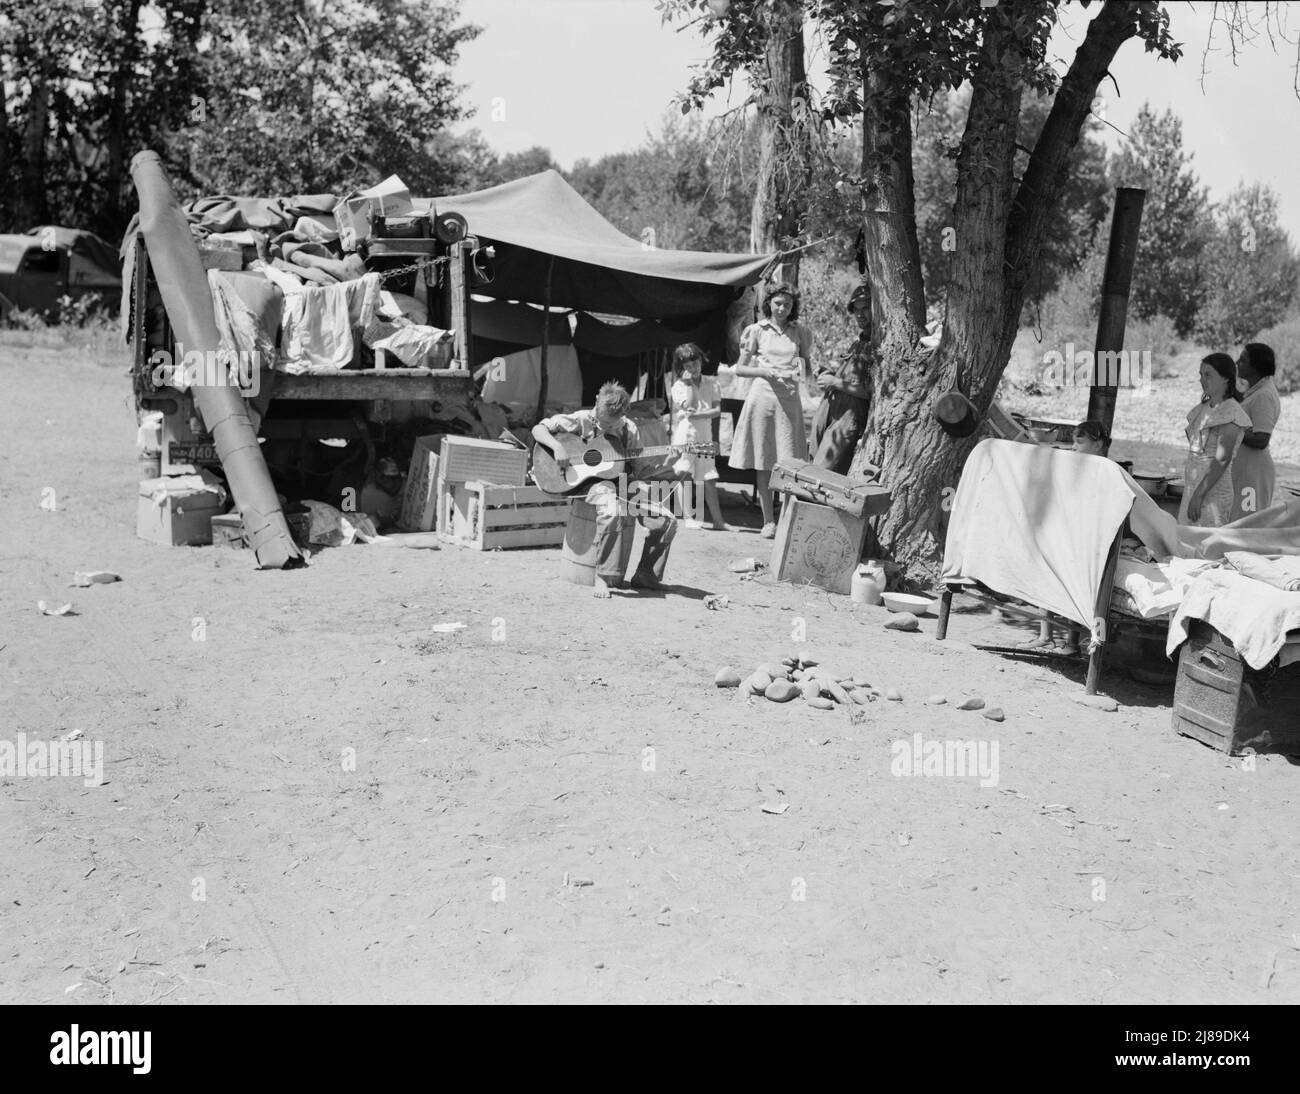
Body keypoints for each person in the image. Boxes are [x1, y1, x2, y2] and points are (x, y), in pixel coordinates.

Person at [532, 381, 677, 598]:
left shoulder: (630, 429)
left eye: (609, 424)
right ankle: (603, 576)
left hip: (623, 483)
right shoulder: (582, 419)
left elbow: (640, 471)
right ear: (598, 404)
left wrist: (667, 464)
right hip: (591, 485)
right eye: (600, 419)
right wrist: (558, 447)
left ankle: (647, 574)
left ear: (621, 415)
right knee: (611, 510)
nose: (602, 425)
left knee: (667, 520)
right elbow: (538, 429)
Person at [729, 284, 813, 538]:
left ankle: (787, 518)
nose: (782, 308)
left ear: (792, 307)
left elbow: (806, 367)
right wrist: (764, 371)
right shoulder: (756, 331)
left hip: (789, 401)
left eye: (787, 304)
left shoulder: (800, 332)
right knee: (764, 460)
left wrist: (798, 372)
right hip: (762, 399)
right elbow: (740, 369)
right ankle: (768, 521)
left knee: (789, 461)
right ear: (769, 304)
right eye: (778, 303)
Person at [1026, 421, 1111, 654]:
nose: (1073, 447)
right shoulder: (1074, 465)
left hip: (1084, 537)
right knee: (1047, 576)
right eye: (1073, 441)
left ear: (1098, 445)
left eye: (1080, 442)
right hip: (1064, 529)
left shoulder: (1105, 470)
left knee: (1075, 586)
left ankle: (1072, 641)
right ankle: (1046, 636)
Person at [1180, 353, 1253, 527]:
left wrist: (1199, 495)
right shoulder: (1202, 409)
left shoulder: (1231, 411)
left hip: (1212, 490)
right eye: (1200, 375)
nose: (1202, 380)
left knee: (1207, 544)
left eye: (1208, 375)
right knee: (1186, 542)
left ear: (1226, 378)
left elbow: (1222, 459)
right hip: (1192, 486)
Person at [811, 284, 874, 474]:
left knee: (821, 476)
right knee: (811, 469)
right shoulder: (857, 343)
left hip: (846, 424)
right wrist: (828, 375)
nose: (861, 315)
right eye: (857, 310)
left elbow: (873, 392)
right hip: (828, 417)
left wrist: (835, 382)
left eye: (865, 309)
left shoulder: (879, 345)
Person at [669, 343, 728, 531]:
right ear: (682, 368)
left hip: (705, 434)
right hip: (687, 434)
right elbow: (690, 405)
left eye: (694, 364)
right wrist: (689, 384)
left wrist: (698, 414)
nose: (692, 369)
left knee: (709, 477)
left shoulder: (713, 383)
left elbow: (716, 411)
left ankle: (719, 521)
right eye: (687, 366)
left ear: (701, 360)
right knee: (685, 474)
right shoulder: (678, 386)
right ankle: (687, 517)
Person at [1231, 342, 1282, 521]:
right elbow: (1247, 412)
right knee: (1237, 522)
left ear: (1256, 366)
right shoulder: (1257, 391)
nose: (1237, 362)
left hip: (1253, 474)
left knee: (1246, 524)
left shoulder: (1264, 396)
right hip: (1246, 471)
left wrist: (1233, 428)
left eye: (1243, 360)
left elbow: (1261, 439)